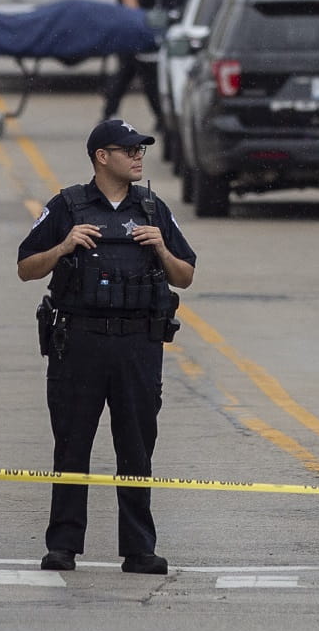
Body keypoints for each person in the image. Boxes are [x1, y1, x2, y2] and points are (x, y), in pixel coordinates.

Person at [17, 119, 197, 575]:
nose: (139, 157)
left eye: (141, 150)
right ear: (102, 157)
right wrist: (63, 246)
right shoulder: (68, 206)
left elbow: (185, 275)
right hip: (79, 342)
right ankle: (63, 545)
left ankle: (138, 549)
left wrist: (161, 248)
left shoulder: (154, 210)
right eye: (129, 150)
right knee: (72, 445)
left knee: (136, 448)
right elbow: (25, 268)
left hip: (138, 343)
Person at [100, 0, 164, 125]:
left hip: (131, 29)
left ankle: (109, 113)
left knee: (128, 75)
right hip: (133, 30)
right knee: (146, 76)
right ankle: (161, 117)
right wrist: (139, 26)